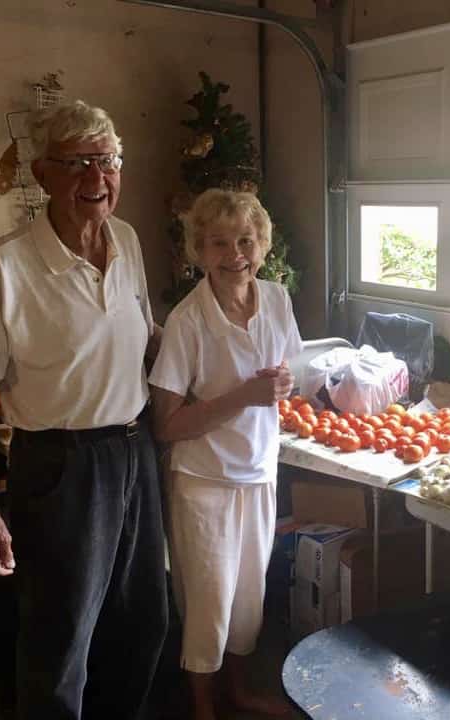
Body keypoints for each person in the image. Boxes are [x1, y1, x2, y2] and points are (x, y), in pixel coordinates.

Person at [0, 100, 168, 720]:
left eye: (107, 161)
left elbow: (144, 338)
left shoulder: (126, 240)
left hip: (134, 449)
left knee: (142, 620)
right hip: (60, 466)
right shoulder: (5, 266)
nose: (96, 180)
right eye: (77, 165)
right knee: (60, 636)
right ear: (42, 174)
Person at [149, 189, 302, 720]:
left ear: (262, 245)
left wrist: (284, 383)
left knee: (246, 601)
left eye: (245, 240)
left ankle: (237, 693)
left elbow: (291, 375)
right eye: (219, 243)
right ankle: (204, 709)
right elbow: (166, 423)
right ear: (199, 250)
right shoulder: (188, 321)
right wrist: (244, 397)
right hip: (204, 482)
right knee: (208, 602)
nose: (234, 253)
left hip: (259, 472)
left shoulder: (277, 299)